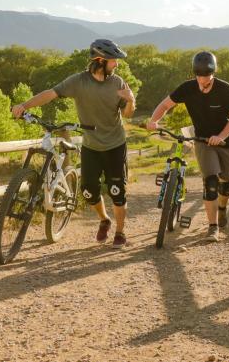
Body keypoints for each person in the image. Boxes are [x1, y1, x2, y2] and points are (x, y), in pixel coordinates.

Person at [12, 39, 136, 248]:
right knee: (88, 191)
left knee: (117, 191)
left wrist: (131, 100)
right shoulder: (79, 81)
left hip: (115, 145)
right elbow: (50, 94)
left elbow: (128, 114)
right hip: (91, 146)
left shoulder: (118, 83)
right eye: (113, 61)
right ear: (100, 61)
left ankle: (120, 232)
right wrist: (24, 105)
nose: (117, 64)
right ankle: (104, 220)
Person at [145, 51, 229, 242]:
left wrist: (221, 136)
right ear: (195, 73)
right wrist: (153, 120)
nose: (203, 80)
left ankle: (222, 208)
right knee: (211, 183)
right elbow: (165, 105)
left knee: (227, 185)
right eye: (200, 76)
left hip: (226, 142)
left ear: (213, 73)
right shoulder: (187, 88)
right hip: (202, 141)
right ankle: (213, 227)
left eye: (207, 76)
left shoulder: (225, 89)